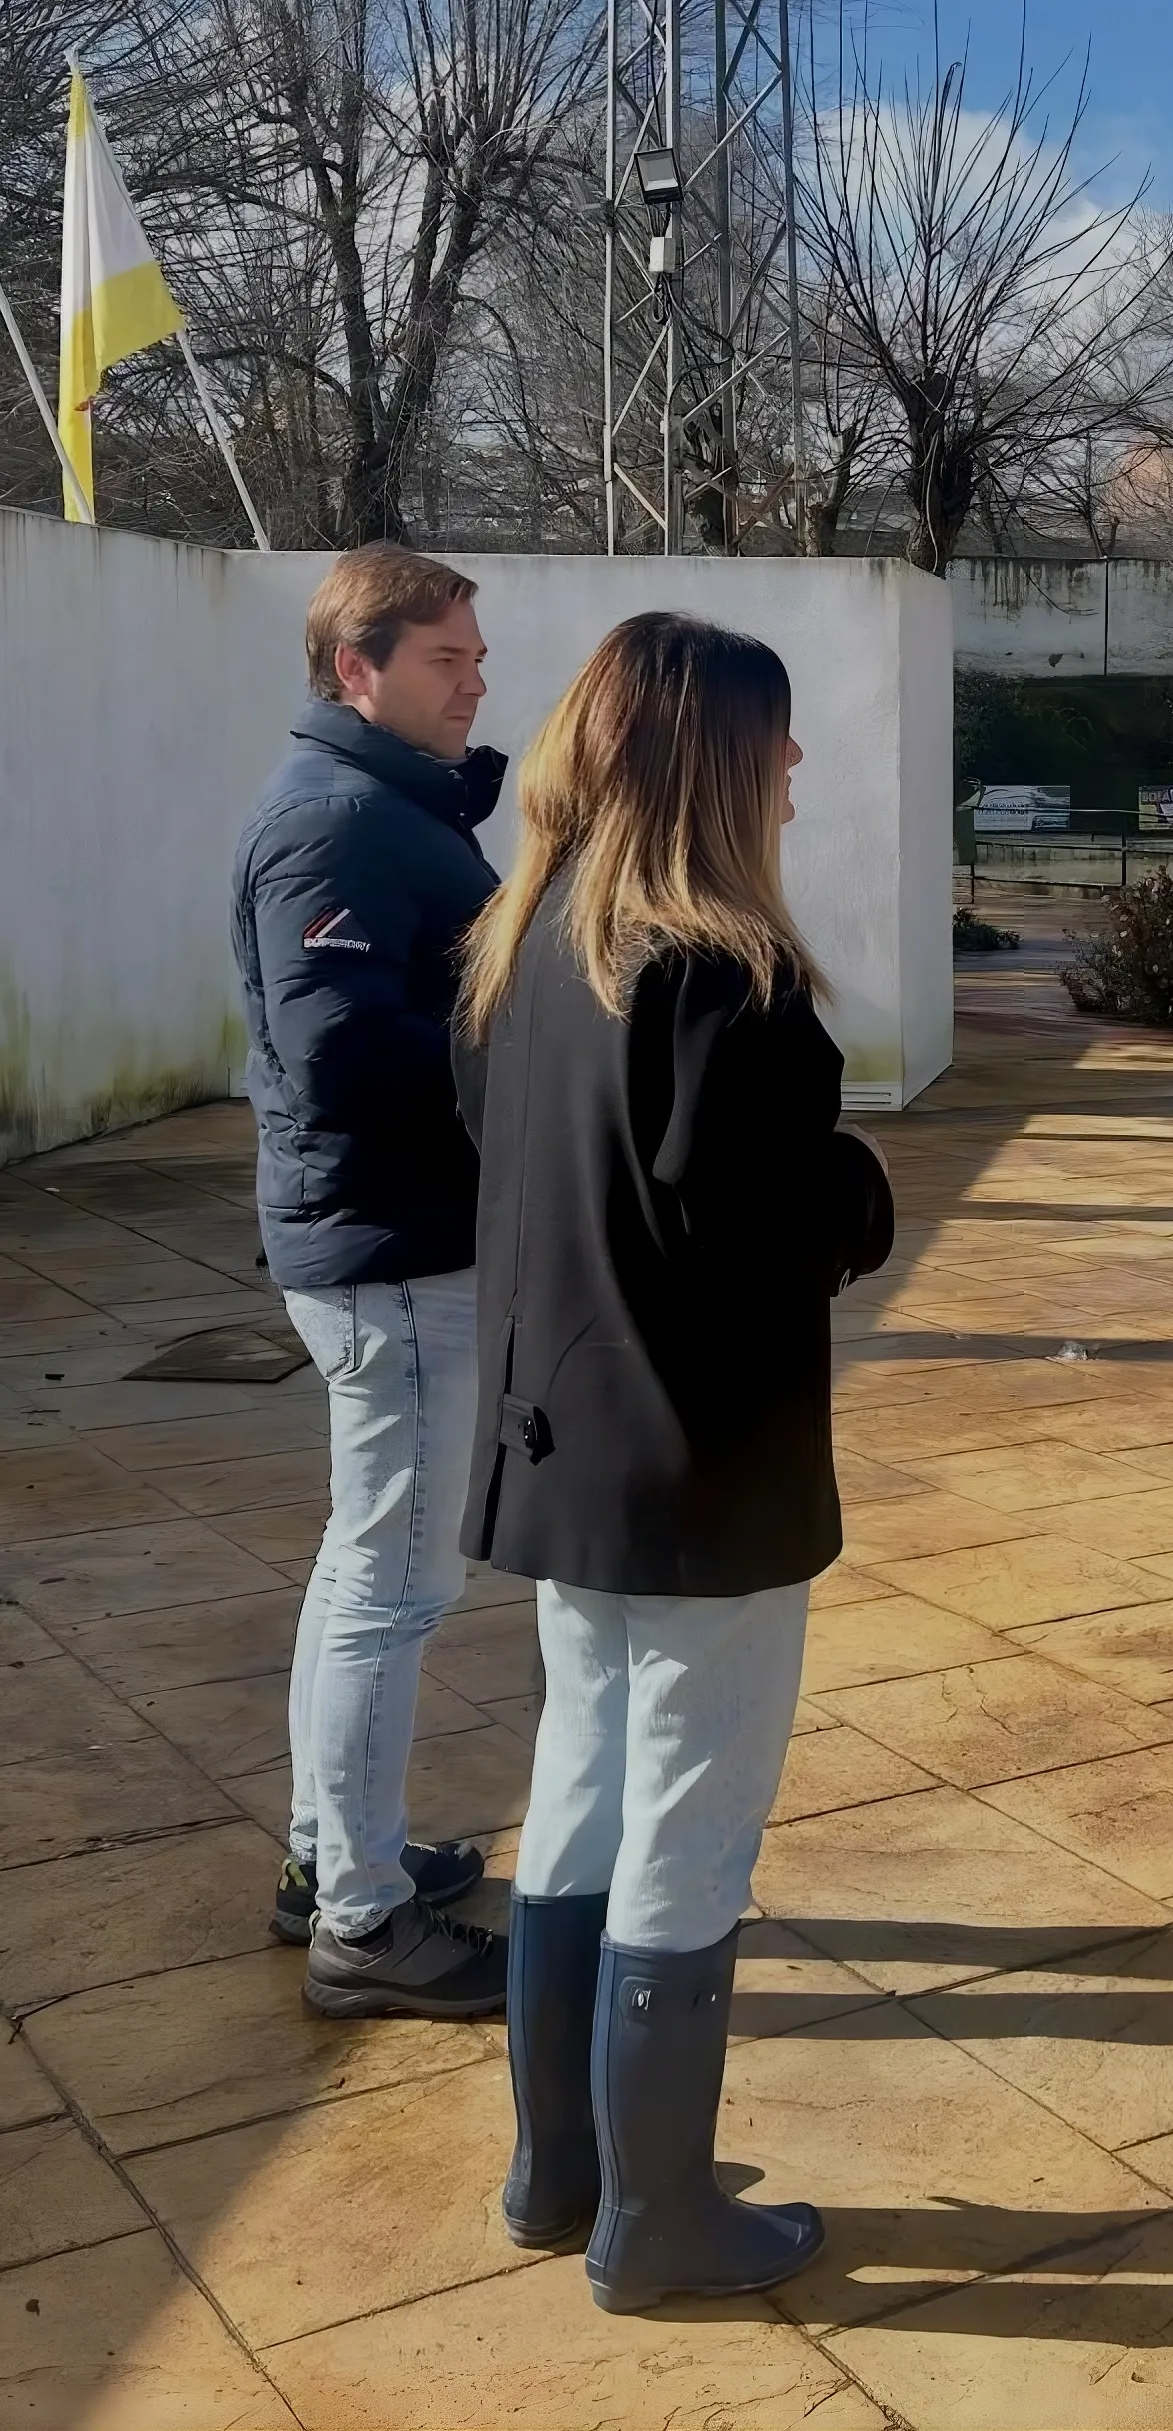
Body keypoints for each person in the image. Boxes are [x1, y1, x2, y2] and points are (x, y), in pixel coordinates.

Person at [454, 613, 893, 2315]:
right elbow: (758, 1224)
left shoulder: (522, 945)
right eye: (774, 741)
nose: (795, 769)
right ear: (714, 759)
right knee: (689, 1828)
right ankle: (659, 2218)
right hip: (702, 1473)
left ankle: (560, 2169)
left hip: (566, 1457)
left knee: (581, 1793)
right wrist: (855, 1191)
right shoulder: (724, 974)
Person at [232, 544, 506, 2019]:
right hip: (393, 1255)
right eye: (447, 658)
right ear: (360, 667)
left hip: (397, 1243)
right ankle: (362, 1918)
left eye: (473, 654)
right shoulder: (338, 823)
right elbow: (338, 1053)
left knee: (368, 1568)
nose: (476, 679)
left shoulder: (386, 810)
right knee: (393, 1585)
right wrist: (511, 1060)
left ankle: (329, 1854)